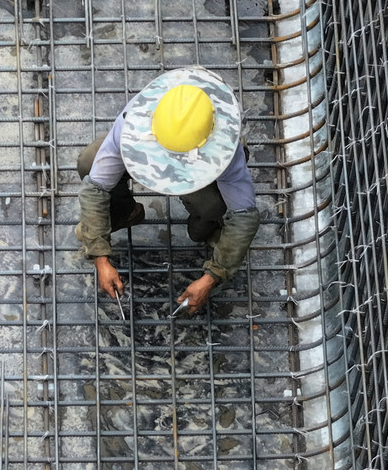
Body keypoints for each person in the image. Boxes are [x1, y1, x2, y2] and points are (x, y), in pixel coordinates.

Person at [74, 67, 260, 315]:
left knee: (212, 207)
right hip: (148, 141)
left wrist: (212, 276)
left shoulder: (224, 149)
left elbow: (244, 215)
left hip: (202, 166)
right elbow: (95, 189)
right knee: (89, 163)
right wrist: (99, 256)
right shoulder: (135, 121)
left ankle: (205, 227)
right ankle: (126, 212)